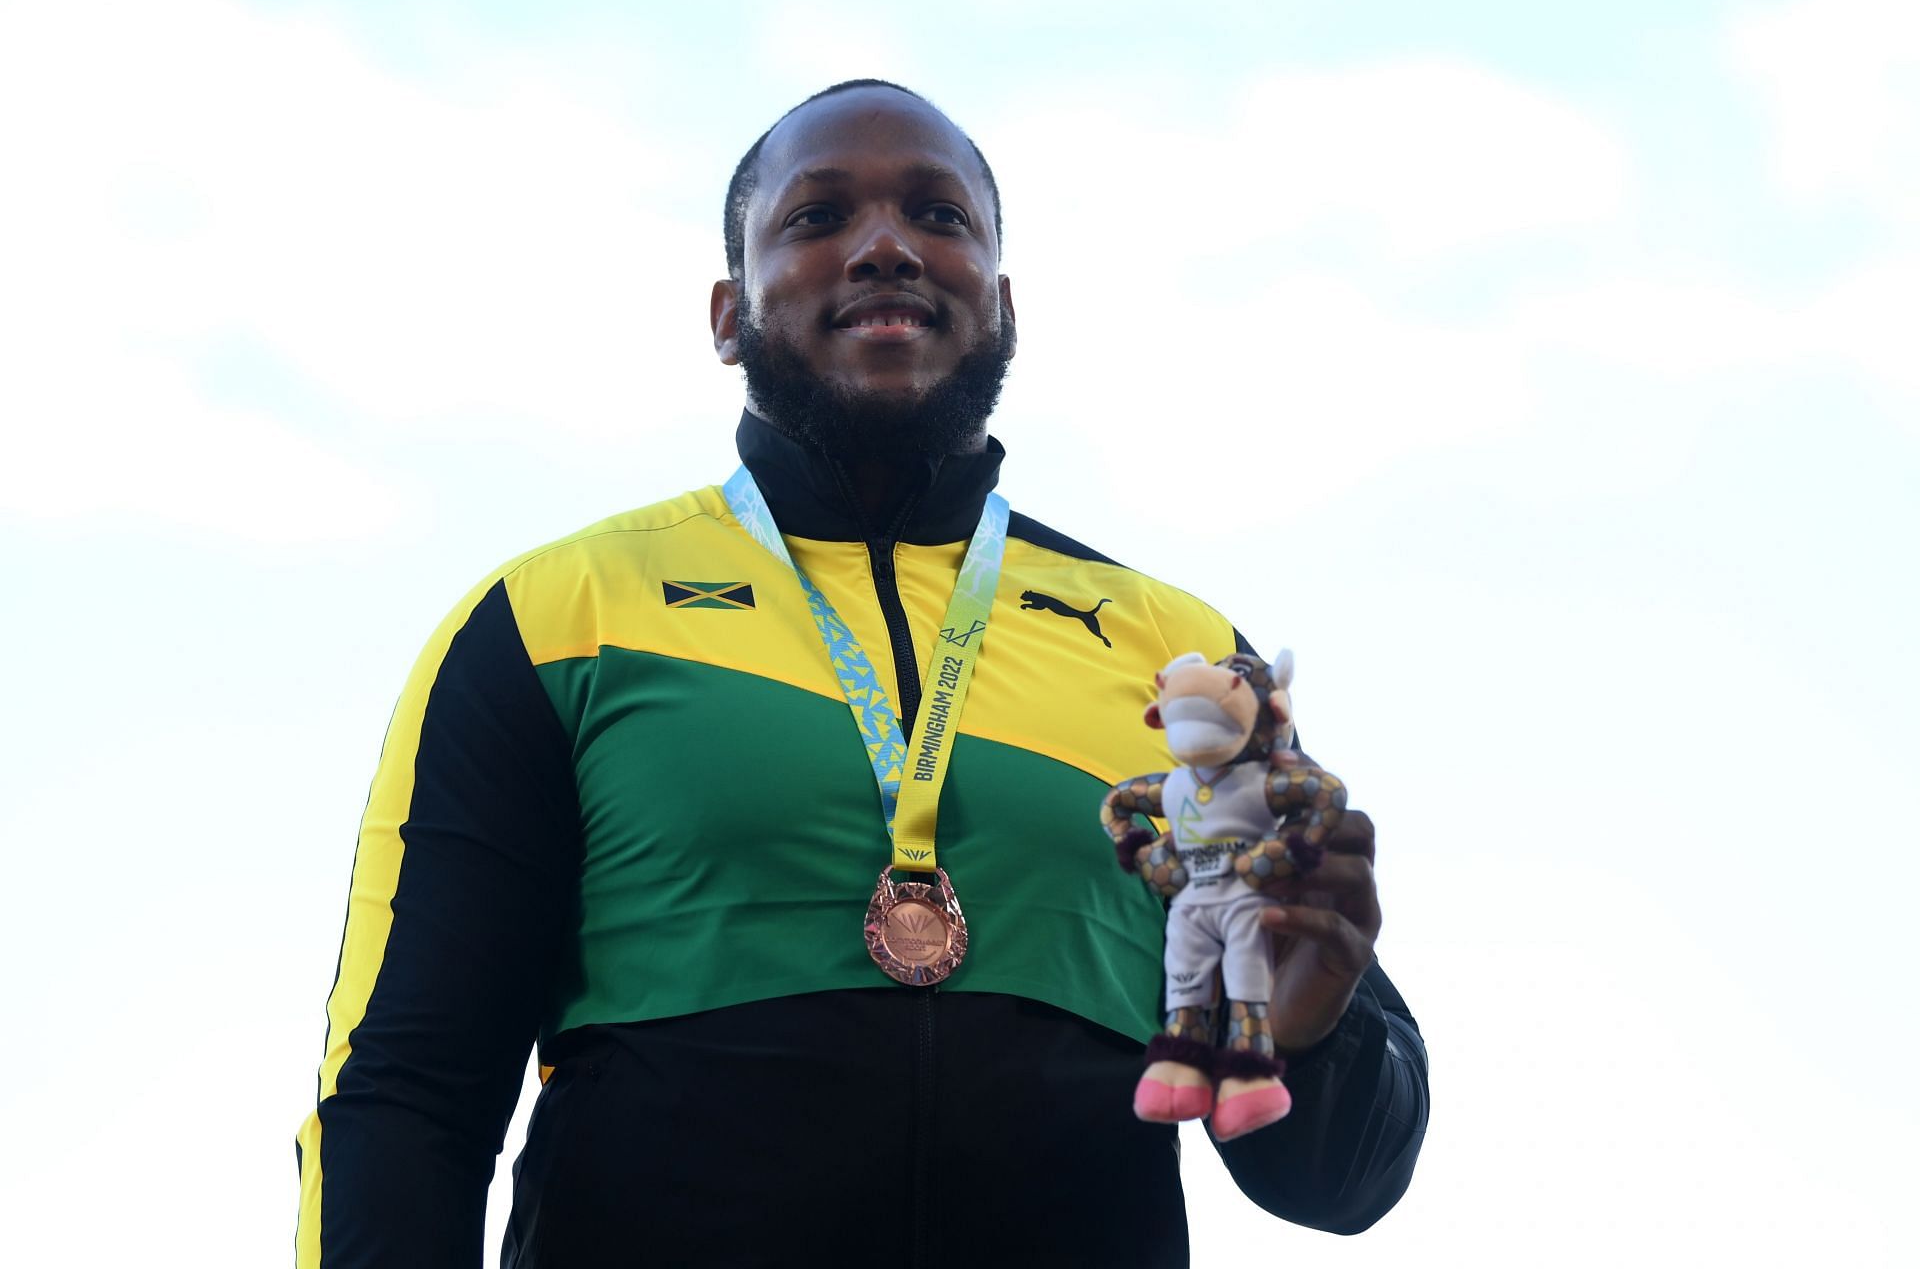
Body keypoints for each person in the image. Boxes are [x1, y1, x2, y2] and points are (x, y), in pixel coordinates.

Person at [295, 79, 1428, 1269]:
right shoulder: (553, 618)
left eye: (939, 217)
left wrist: (1309, 1029)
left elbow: (1347, 1181)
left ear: (1000, 304)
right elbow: (404, 1099)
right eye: (818, 216)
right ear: (728, 315)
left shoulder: (1183, 658)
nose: (887, 245)